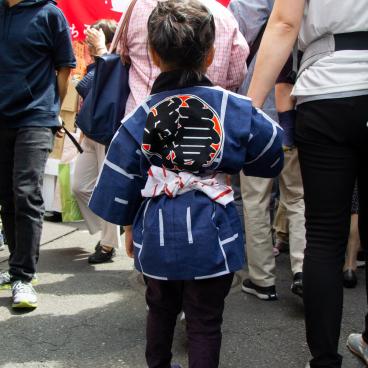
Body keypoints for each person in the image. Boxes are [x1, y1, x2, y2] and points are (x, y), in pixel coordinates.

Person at [89, 1, 284, 367]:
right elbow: (271, 149)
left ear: (152, 53)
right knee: (205, 322)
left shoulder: (139, 117)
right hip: (214, 231)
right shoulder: (233, 108)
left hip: (158, 231)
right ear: (210, 55)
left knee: (159, 311)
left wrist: (130, 227)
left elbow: (122, 182)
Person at [246, 0, 368, 366]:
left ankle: (325, 360)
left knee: (324, 238)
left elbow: (284, 23)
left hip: (327, 89)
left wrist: (248, 111)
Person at [0, 0, 76, 309]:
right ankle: (17, 263)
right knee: (6, 194)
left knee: (27, 190)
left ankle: (24, 276)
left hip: (36, 116)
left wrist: (52, 110)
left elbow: (65, 67)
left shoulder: (49, 13)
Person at [230, 0, 305, 301]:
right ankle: (303, 269)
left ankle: (262, 279)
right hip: (296, 109)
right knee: (297, 196)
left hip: (256, 111)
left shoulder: (247, 4)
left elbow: (234, 49)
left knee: (255, 199)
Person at [118, 0, 249, 116]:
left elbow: (122, 53)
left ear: (154, 55)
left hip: (142, 121)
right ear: (210, 56)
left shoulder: (138, 6)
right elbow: (236, 75)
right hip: (209, 125)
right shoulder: (224, 16)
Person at [72, 19, 122, 264]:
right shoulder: (97, 63)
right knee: (79, 186)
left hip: (107, 134)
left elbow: (109, 87)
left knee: (105, 190)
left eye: (96, 37)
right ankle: (110, 228)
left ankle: (108, 244)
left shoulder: (117, 62)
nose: (90, 43)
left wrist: (103, 50)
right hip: (90, 133)